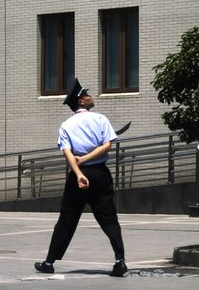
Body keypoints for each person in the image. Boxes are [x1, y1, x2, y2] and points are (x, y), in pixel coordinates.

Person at [34, 78, 128, 277]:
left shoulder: (66, 125)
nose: (90, 96)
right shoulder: (101, 119)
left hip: (78, 176)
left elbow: (67, 152)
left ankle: (49, 262)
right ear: (81, 101)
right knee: (109, 218)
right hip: (100, 174)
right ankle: (120, 261)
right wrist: (86, 159)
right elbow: (107, 145)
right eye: (86, 94)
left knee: (67, 220)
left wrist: (78, 172)